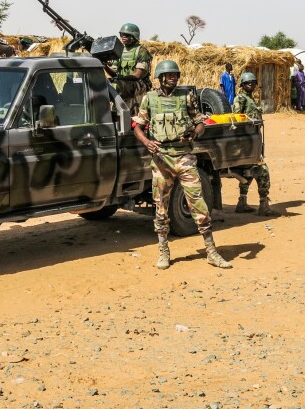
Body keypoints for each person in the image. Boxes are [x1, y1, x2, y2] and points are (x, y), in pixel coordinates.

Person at [133, 59, 232, 271]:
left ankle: (211, 251)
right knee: (161, 207)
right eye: (169, 75)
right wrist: (147, 142)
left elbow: (200, 123)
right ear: (160, 78)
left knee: (199, 204)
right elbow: (138, 127)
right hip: (161, 159)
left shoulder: (186, 97)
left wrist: (194, 133)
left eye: (175, 75)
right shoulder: (149, 99)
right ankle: (163, 250)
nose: (173, 78)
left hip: (185, 157)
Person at [232, 72, 272, 215]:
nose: (251, 85)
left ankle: (242, 202)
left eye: (253, 83)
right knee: (263, 172)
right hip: (246, 143)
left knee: (247, 172)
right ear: (242, 85)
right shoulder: (241, 99)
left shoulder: (250, 99)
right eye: (248, 83)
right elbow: (237, 118)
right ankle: (263, 204)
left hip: (252, 142)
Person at [104, 23, 152, 109]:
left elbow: (138, 75)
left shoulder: (141, 51)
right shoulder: (119, 50)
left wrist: (118, 79)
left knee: (114, 86)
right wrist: (104, 66)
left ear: (134, 36)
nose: (123, 37)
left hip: (139, 85)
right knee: (103, 85)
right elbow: (114, 74)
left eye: (127, 35)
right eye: (122, 34)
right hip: (123, 83)